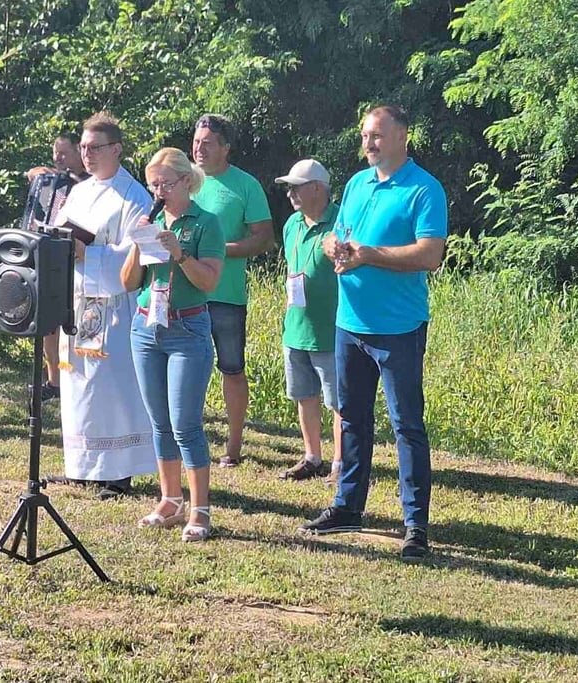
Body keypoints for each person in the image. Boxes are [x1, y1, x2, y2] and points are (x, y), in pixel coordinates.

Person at [299, 105, 447, 561]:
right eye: (365, 135)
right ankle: (347, 507)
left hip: (398, 329)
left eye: (378, 136)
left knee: (407, 426)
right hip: (350, 323)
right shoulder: (357, 185)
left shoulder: (425, 189)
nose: (368, 143)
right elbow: (340, 238)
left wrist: (369, 255)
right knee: (351, 419)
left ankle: (415, 526)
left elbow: (429, 255)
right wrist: (333, 248)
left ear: (403, 137)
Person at [52, 112, 156, 500]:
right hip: (79, 302)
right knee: (79, 385)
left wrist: (88, 253)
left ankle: (118, 473)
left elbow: (134, 259)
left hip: (113, 306)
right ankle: (82, 466)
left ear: (116, 149)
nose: (87, 154)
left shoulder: (134, 197)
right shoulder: (79, 191)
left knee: (110, 389)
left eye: (95, 148)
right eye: (83, 147)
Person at [122, 147, 224, 541]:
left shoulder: (206, 223)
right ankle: (170, 499)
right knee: (159, 422)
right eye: (153, 184)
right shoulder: (151, 219)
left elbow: (209, 282)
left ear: (187, 181)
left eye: (165, 182)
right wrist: (137, 241)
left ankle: (200, 509)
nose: (159, 190)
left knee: (185, 423)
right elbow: (129, 283)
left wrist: (178, 253)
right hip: (146, 328)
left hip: (188, 328)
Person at [190, 114, 273, 467]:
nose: (199, 149)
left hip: (225, 295)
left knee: (231, 369)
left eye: (207, 144)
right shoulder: (183, 180)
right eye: (196, 142)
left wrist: (218, 251)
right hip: (184, 294)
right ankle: (185, 442)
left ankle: (233, 447)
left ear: (225, 148)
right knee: (183, 369)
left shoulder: (245, 185)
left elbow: (264, 238)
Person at [274, 159, 342, 483]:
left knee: (338, 402)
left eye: (296, 187)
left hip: (332, 327)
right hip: (297, 325)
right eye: (288, 187)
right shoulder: (291, 225)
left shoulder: (341, 221)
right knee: (304, 395)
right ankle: (312, 457)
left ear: (317, 188)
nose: (290, 194)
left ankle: (341, 464)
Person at [25, 133, 90, 403]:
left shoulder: (91, 183)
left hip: (79, 262)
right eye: (55, 152)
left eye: (63, 153)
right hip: (49, 258)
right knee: (47, 326)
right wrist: (38, 172)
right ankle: (54, 381)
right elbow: (32, 173)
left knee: (73, 325)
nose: (58, 158)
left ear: (79, 152)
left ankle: (74, 380)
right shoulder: (53, 181)